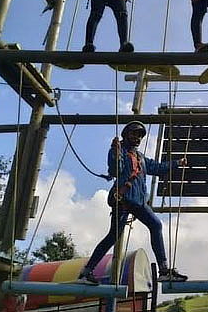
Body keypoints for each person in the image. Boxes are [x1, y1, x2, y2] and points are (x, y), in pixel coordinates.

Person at [78, 121, 188, 284]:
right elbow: (115, 169)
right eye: (134, 134)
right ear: (126, 135)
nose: (137, 138)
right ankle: (86, 272)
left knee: (156, 225)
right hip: (123, 200)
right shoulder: (118, 151)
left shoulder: (140, 157)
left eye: (140, 136)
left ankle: (164, 270)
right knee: (113, 236)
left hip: (138, 201)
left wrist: (176, 163)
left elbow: (157, 168)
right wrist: (115, 154)